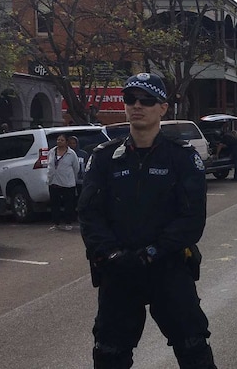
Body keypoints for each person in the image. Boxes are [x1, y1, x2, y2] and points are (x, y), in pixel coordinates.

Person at [78, 72, 216, 368]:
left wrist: (154, 252)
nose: (137, 105)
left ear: (163, 107)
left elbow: (192, 219)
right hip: (119, 270)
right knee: (109, 353)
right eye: (130, 99)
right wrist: (112, 254)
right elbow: (89, 215)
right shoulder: (102, 158)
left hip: (167, 268)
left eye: (147, 100)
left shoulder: (182, 158)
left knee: (193, 348)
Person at [47, 133, 80, 231]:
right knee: (55, 204)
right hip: (54, 181)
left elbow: (76, 167)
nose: (59, 142)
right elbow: (49, 164)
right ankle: (56, 223)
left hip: (67, 182)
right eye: (58, 140)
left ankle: (68, 222)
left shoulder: (71, 153)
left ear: (66, 142)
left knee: (68, 204)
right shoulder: (52, 152)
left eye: (61, 140)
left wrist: (70, 177)